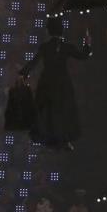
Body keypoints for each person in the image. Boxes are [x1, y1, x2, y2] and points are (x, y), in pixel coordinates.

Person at [18, 16, 91, 150]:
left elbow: (34, 62)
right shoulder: (66, 47)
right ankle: (61, 139)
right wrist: (87, 44)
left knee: (47, 111)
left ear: (48, 31)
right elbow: (83, 56)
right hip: (62, 83)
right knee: (62, 110)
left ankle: (48, 137)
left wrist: (23, 73)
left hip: (48, 82)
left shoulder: (45, 47)